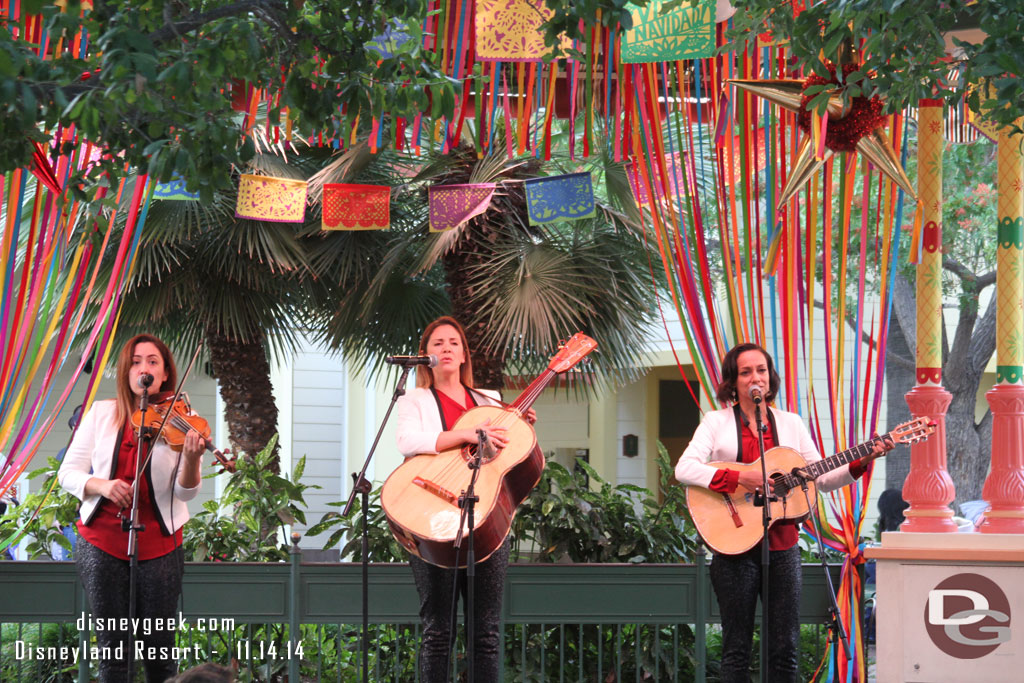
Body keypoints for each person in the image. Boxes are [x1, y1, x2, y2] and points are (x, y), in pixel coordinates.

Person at [675, 342, 889, 683]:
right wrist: (739, 476)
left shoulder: (790, 423)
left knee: (785, 647)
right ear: (733, 382)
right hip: (733, 546)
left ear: (770, 378)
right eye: (745, 372)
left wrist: (861, 460)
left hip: (782, 544)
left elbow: (820, 476)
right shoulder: (715, 422)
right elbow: (684, 469)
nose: (754, 378)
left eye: (761, 370)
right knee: (736, 649)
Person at [394, 316, 535, 682]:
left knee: (486, 634)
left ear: (463, 353)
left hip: (486, 520)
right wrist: (465, 434)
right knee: (437, 631)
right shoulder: (415, 399)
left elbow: (506, 457)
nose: (446, 348)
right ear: (426, 355)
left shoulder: (490, 401)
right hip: (431, 517)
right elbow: (407, 442)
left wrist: (521, 428)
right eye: (437, 343)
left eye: (453, 342)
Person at [58, 334, 206, 682]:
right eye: (137, 361)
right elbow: (68, 473)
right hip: (102, 543)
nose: (144, 368)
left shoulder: (184, 419)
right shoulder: (101, 413)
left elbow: (186, 494)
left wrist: (192, 460)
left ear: (166, 373)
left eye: (153, 361)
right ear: (127, 372)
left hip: (160, 544)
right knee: (113, 656)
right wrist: (103, 486)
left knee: (160, 654)